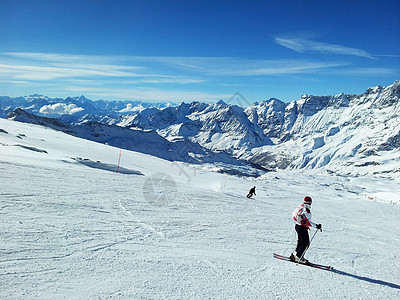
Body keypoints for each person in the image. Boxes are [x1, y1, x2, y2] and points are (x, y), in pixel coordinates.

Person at [290, 196, 322, 264]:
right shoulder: (306, 211)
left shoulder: (301, 206)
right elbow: (309, 222)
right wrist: (317, 226)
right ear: (309, 203)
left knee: (300, 242)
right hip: (302, 228)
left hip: (297, 226)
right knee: (305, 243)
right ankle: (299, 257)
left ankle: (295, 255)